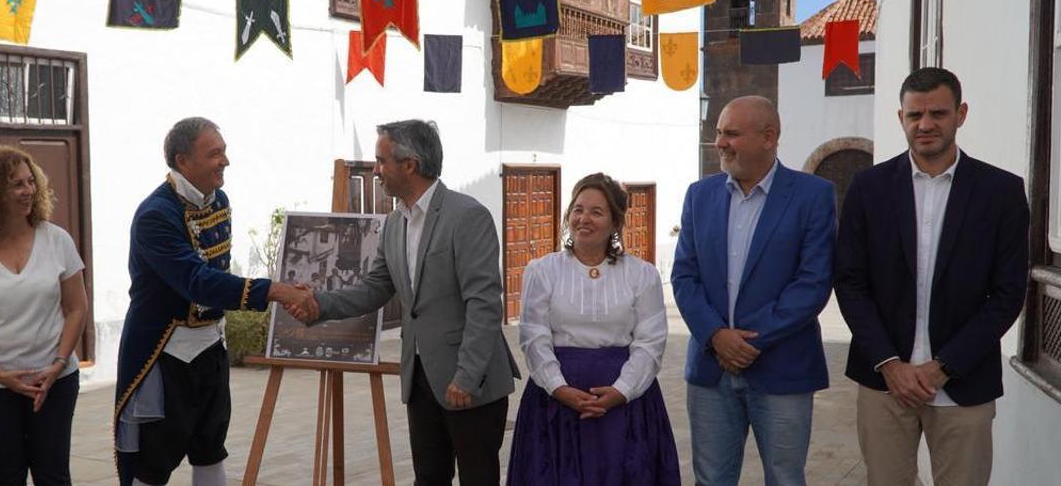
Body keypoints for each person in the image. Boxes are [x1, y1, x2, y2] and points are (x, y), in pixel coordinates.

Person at [276, 120, 520, 485]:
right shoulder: (394, 223)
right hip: (419, 378)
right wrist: (318, 304)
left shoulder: (467, 216)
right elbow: (375, 288)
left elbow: (484, 304)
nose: (375, 171)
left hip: (470, 380)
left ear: (410, 164)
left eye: (381, 161)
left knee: (478, 478)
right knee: (428, 477)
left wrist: (467, 376)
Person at [835, 67, 1028, 486]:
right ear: (900, 118)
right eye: (914, 115)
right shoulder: (867, 187)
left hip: (965, 380)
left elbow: (1008, 293)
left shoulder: (1002, 192)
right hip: (883, 380)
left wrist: (944, 366)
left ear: (961, 114)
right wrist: (889, 363)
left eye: (938, 113)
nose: (925, 125)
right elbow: (850, 281)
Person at [114, 117, 303, 486]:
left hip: (210, 346)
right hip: (164, 352)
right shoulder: (155, 215)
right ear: (183, 161)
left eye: (224, 151)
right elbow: (196, 281)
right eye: (214, 153)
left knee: (211, 447)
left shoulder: (218, 199)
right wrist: (273, 290)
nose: (225, 161)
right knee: (155, 458)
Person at [671, 96, 836, 485]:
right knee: (710, 479)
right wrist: (716, 336)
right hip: (711, 370)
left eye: (731, 134)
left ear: (769, 137)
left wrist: (746, 342)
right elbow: (684, 276)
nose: (720, 143)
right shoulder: (700, 195)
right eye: (718, 133)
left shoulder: (812, 195)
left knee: (784, 478)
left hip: (783, 367)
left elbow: (813, 282)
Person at [505, 173, 679, 485]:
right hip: (555, 404)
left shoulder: (642, 275)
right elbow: (533, 337)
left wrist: (621, 392)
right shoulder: (543, 271)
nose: (584, 218)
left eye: (596, 212)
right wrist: (558, 387)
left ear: (615, 223)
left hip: (626, 406)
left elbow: (650, 343)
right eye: (578, 209)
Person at [0, 145, 88, 485]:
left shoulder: (57, 240)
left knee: (53, 475)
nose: (28, 191)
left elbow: (76, 308)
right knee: (6, 475)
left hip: (54, 380)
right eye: (16, 184)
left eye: (30, 181)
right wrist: (0, 375)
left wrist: (58, 362)